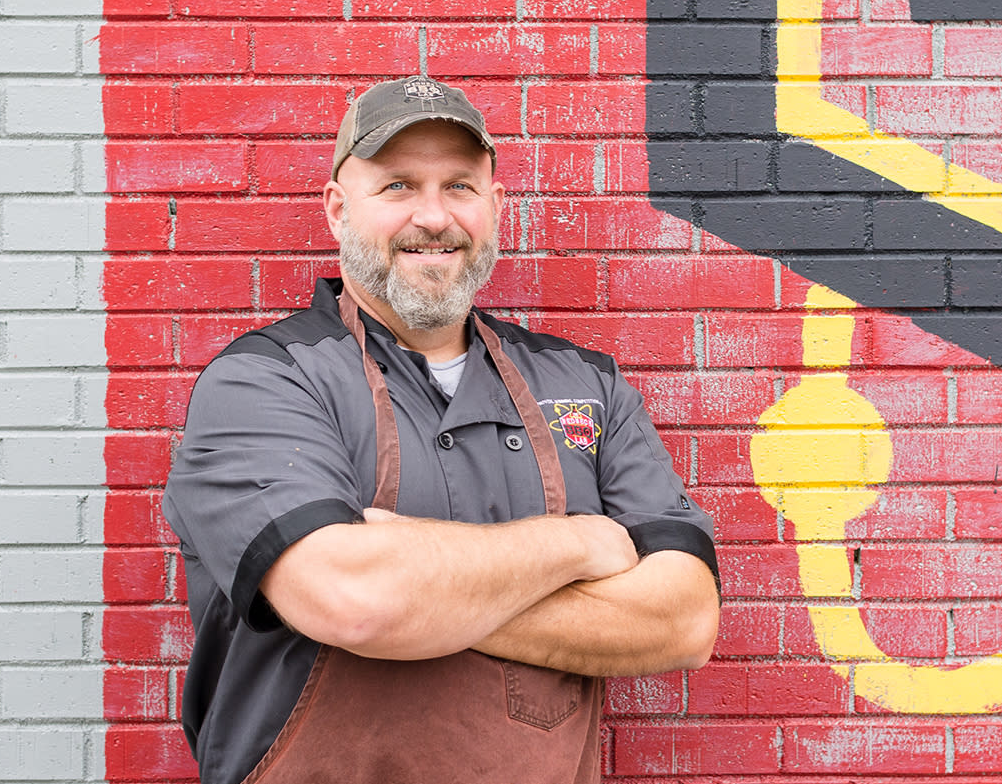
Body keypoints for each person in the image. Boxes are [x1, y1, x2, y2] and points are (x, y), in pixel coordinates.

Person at [162, 76, 721, 784]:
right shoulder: (264, 381)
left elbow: (684, 621)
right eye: (397, 186)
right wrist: (580, 542)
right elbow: (357, 602)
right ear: (337, 209)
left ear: (494, 205)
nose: (433, 216)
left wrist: (421, 590)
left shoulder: (586, 385)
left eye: (458, 186)